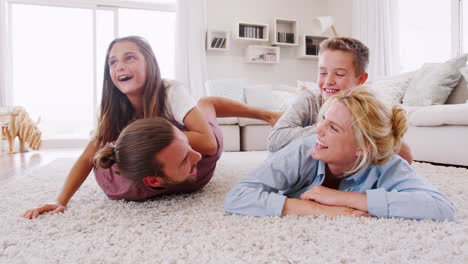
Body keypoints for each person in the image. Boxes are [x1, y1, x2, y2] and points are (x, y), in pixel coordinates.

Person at [22, 36, 281, 219]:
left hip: (193, 158)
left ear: (150, 63)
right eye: (112, 62)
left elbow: (208, 143)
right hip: (160, 168)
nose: (120, 65)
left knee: (206, 102)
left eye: (129, 57)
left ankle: (267, 114)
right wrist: (60, 200)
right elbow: (87, 157)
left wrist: (156, 136)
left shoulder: (170, 90)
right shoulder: (112, 110)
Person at [224, 87, 454, 221]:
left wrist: (343, 198)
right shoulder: (303, 148)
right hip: (285, 166)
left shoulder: (387, 164)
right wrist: (321, 209)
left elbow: (440, 207)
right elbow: (238, 196)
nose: (318, 129)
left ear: (362, 148)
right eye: (323, 119)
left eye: (333, 128)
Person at [267, 37, 413, 164]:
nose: (328, 81)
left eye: (339, 74)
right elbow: (274, 141)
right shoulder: (309, 100)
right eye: (323, 72)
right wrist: (324, 129)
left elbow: (405, 157)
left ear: (361, 79)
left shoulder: (368, 107)